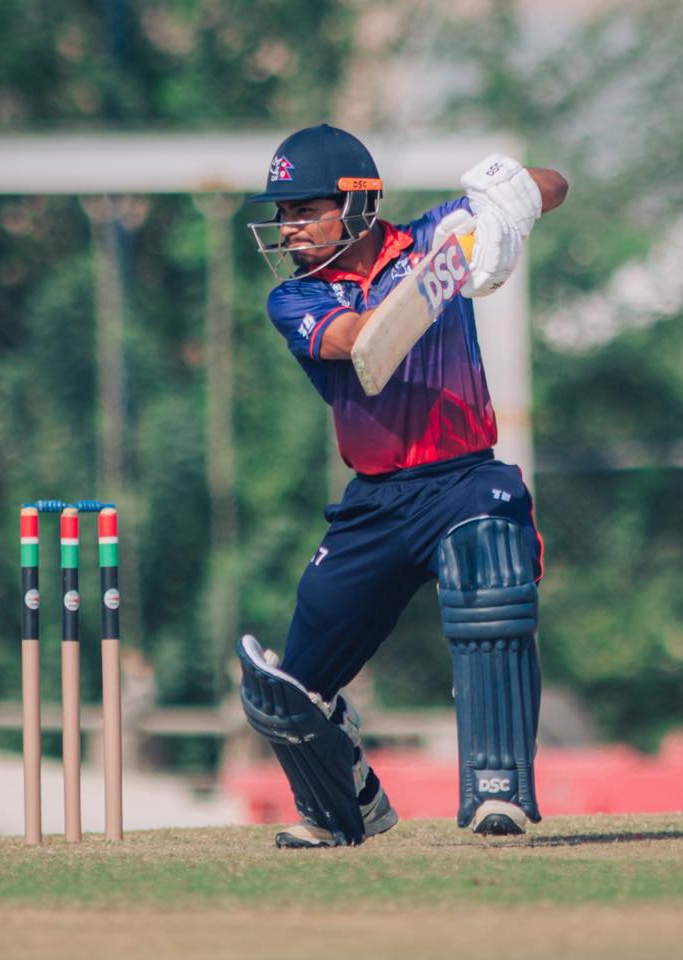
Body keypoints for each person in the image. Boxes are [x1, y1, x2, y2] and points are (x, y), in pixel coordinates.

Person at [237, 123, 568, 848]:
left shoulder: (435, 233)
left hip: (462, 478)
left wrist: (506, 206)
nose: (288, 227)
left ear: (355, 203)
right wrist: (442, 268)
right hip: (375, 504)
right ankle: (342, 807)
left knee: (493, 570)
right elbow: (362, 342)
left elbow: (555, 185)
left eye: (303, 209)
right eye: (283, 213)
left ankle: (498, 791)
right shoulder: (296, 299)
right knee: (286, 693)